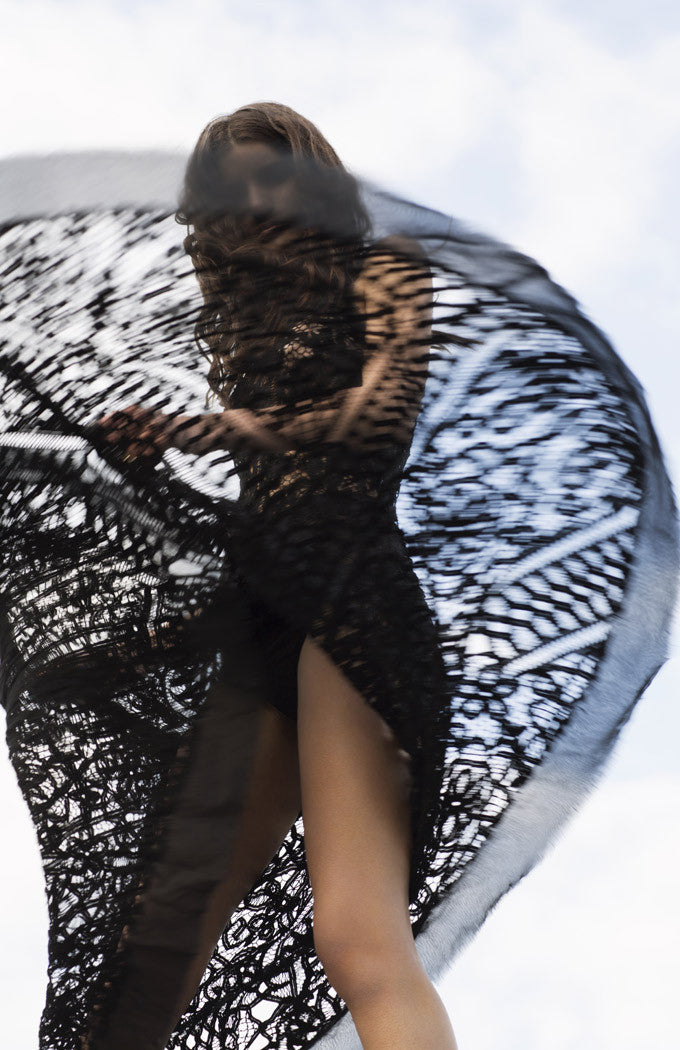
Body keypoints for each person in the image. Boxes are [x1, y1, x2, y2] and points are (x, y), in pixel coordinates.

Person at [87, 102, 460, 1050]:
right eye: (233, 189)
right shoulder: (235, 329)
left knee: (356, 938)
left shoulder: (386, 268)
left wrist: (208, 429)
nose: (256, 199)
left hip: (352, 592)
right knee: (152, 956)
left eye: (274, 174)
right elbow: (257, 499)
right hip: (262, 609)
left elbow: (379, 419)